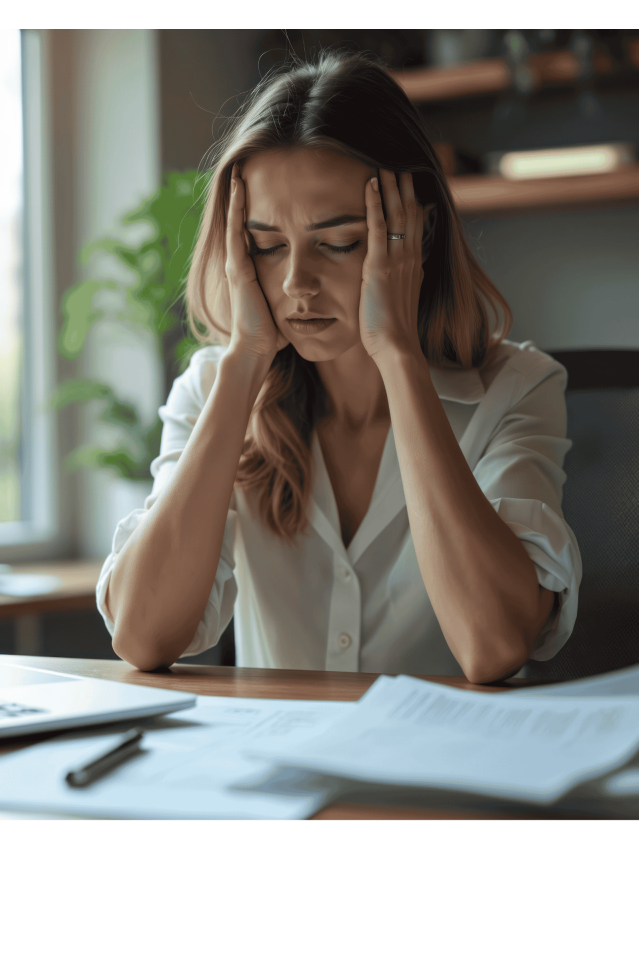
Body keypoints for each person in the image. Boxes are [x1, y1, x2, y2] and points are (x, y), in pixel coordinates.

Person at [95, 51, 582, 684]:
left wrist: (397, 355)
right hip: (278, 774)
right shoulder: (215, 390)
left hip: (443, 778)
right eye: (267, 246)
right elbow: (142, 635)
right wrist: (244, 360)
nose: (296, 282)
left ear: (418, 234)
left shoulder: (518, 390)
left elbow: (493, 647)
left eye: (340, 242)